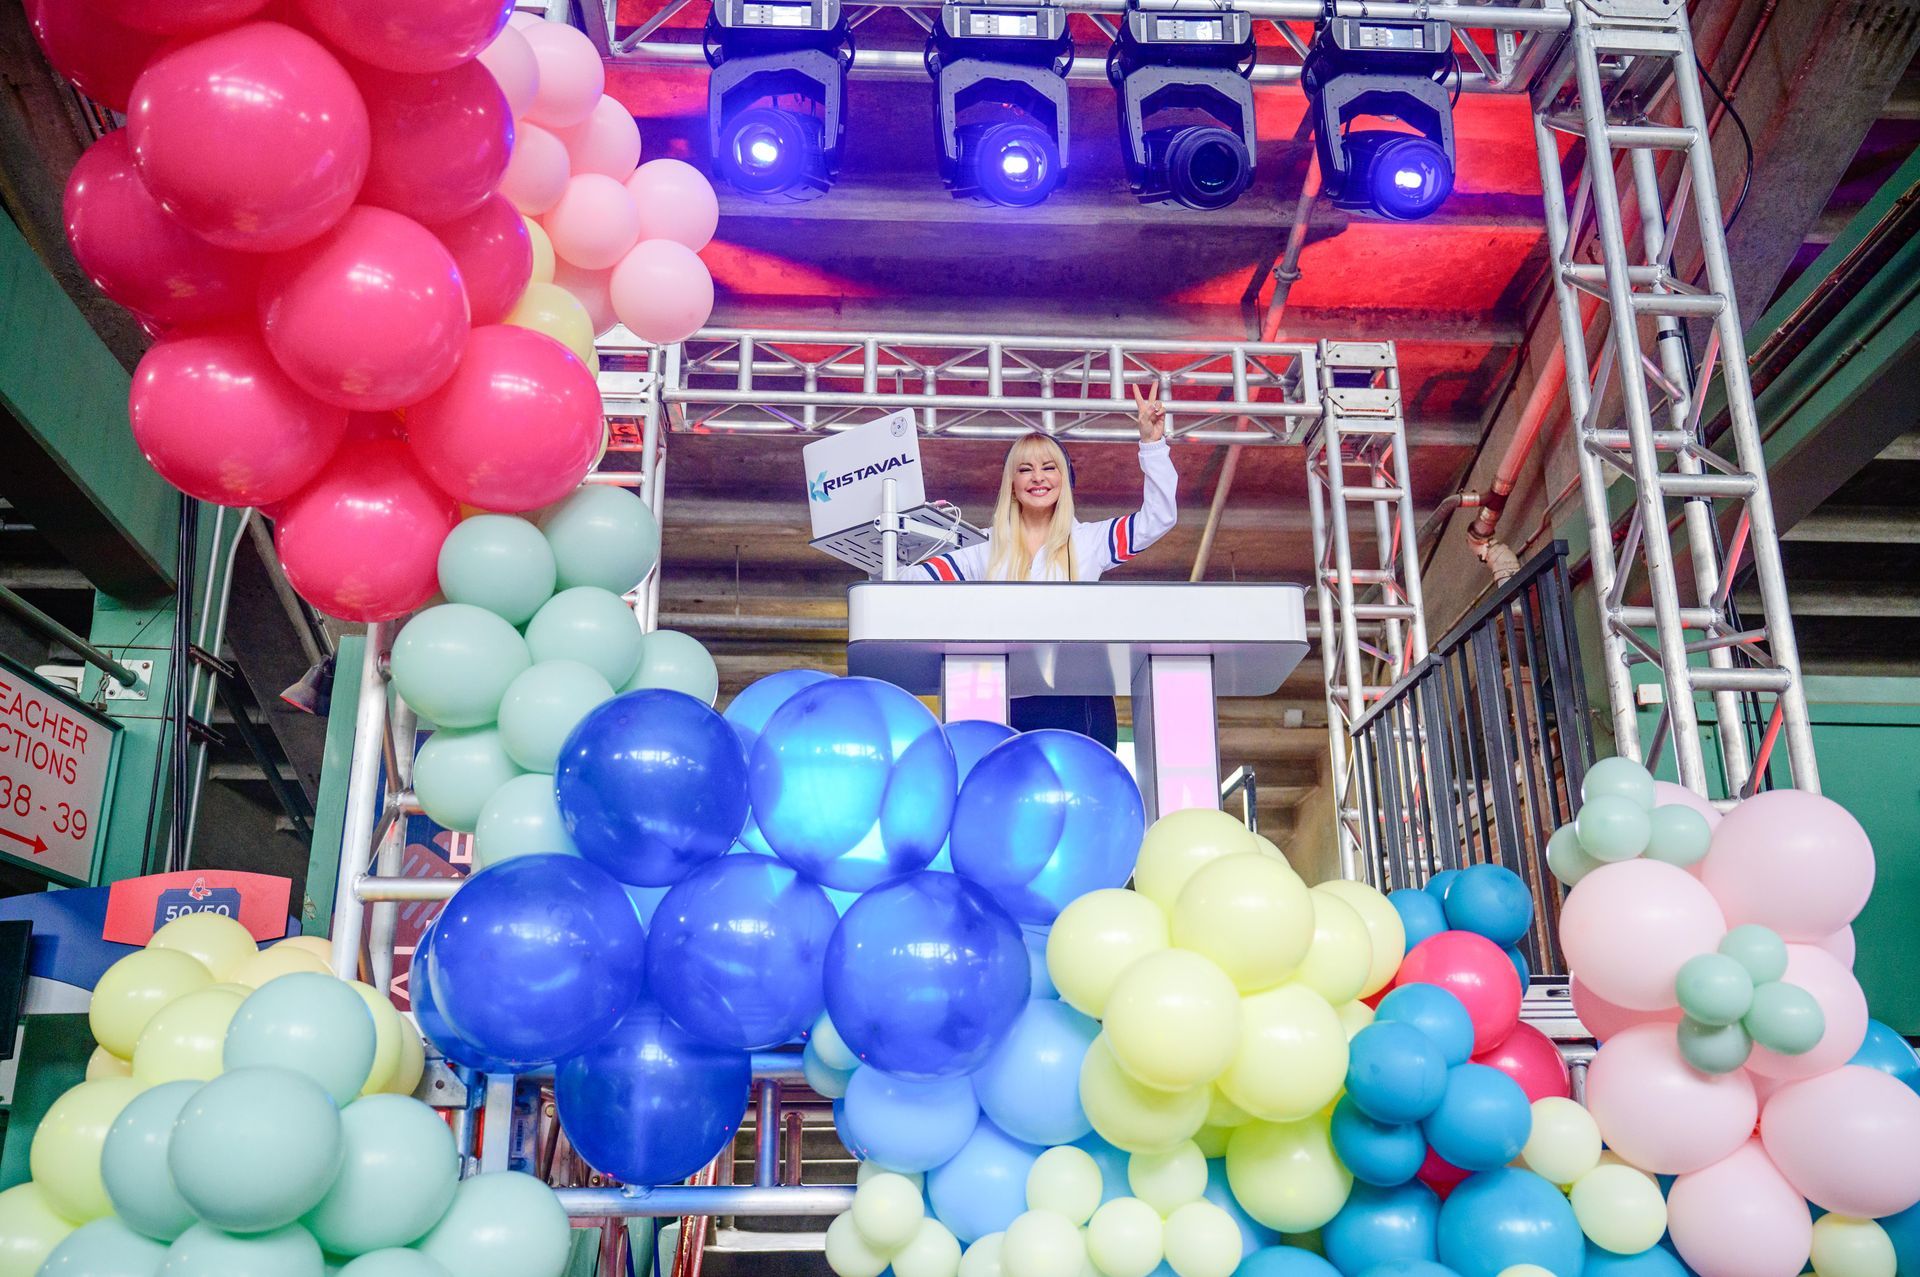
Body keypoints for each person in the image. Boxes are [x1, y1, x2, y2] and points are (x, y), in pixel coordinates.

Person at [916, 384, 1177, 749]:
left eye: (1048, 467)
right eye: (1025, 469)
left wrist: (1152, 444)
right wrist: (894, 532)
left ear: (1065, 480)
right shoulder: (984, 549)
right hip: (1006, 702)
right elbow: (910, 582)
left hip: (1082, 701)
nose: (1038, 477)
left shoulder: (1089, 542)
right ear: (1012, 484)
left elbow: (1158, 518)